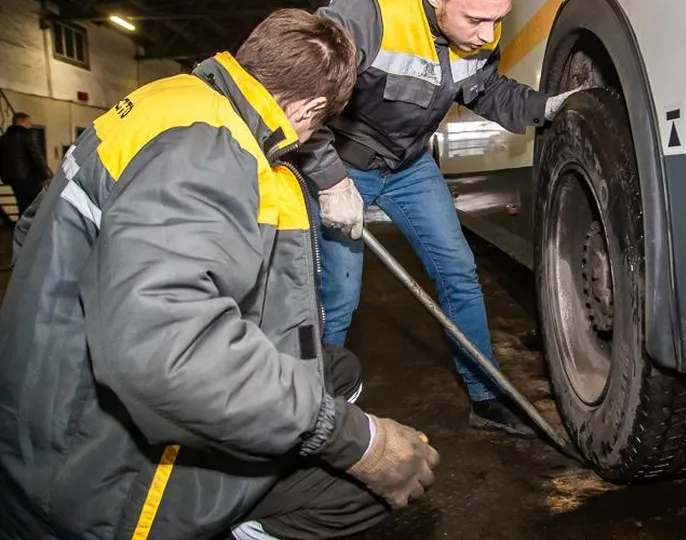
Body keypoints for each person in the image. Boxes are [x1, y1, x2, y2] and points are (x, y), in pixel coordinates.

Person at [0, 9, 438, 540]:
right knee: (362, 487)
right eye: (319, 126)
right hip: (97, 482)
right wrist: (350, 439)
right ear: (312, 108)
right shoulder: (209, 151)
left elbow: (29, 231)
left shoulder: (170, 101)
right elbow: (169, 355)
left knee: (334, 370)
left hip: (45, 409)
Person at [302, 0, 587, 438]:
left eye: (498, 21)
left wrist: (544, 107)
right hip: (346, 165)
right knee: (339, 294)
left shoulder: (474, 39)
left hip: (410, 167)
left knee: (458, 274)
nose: (487, 36)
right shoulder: (367, 17)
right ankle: (318, 416)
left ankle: (486, 397)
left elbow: (487, 90)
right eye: (475, 20)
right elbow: (305, 100)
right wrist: (329, 181)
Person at [0, 111, 52, 215]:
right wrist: (47, 174)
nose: (30, 124)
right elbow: (36, 156)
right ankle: (37, 230)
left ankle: (23, 229)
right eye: (28, 122)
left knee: (22, 206)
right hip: (29, 177)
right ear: (22, 121)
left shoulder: (3, 139)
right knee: (38, 206)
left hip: (12, 177)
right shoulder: (29, 134)